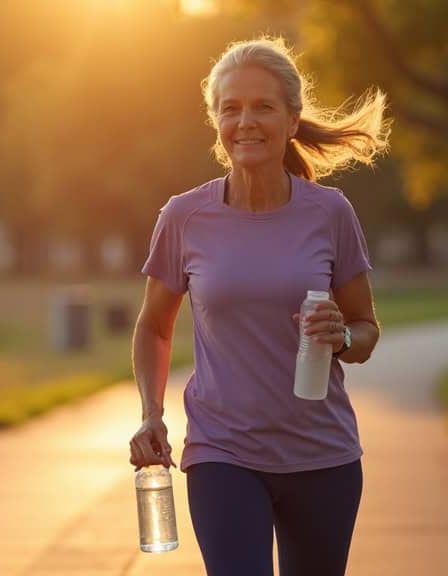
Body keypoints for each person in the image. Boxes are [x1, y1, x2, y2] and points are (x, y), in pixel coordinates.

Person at [128, 37, 389, 576]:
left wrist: (341, 337)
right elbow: (154, 326)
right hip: (223, 453)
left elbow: (365, 330)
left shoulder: (330, 213)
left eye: (263, 107)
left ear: (292, 121)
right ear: (217, 122)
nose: (245, 121)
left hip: (323, 456)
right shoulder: (184, 217)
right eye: (231, 108)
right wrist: (152, 414)